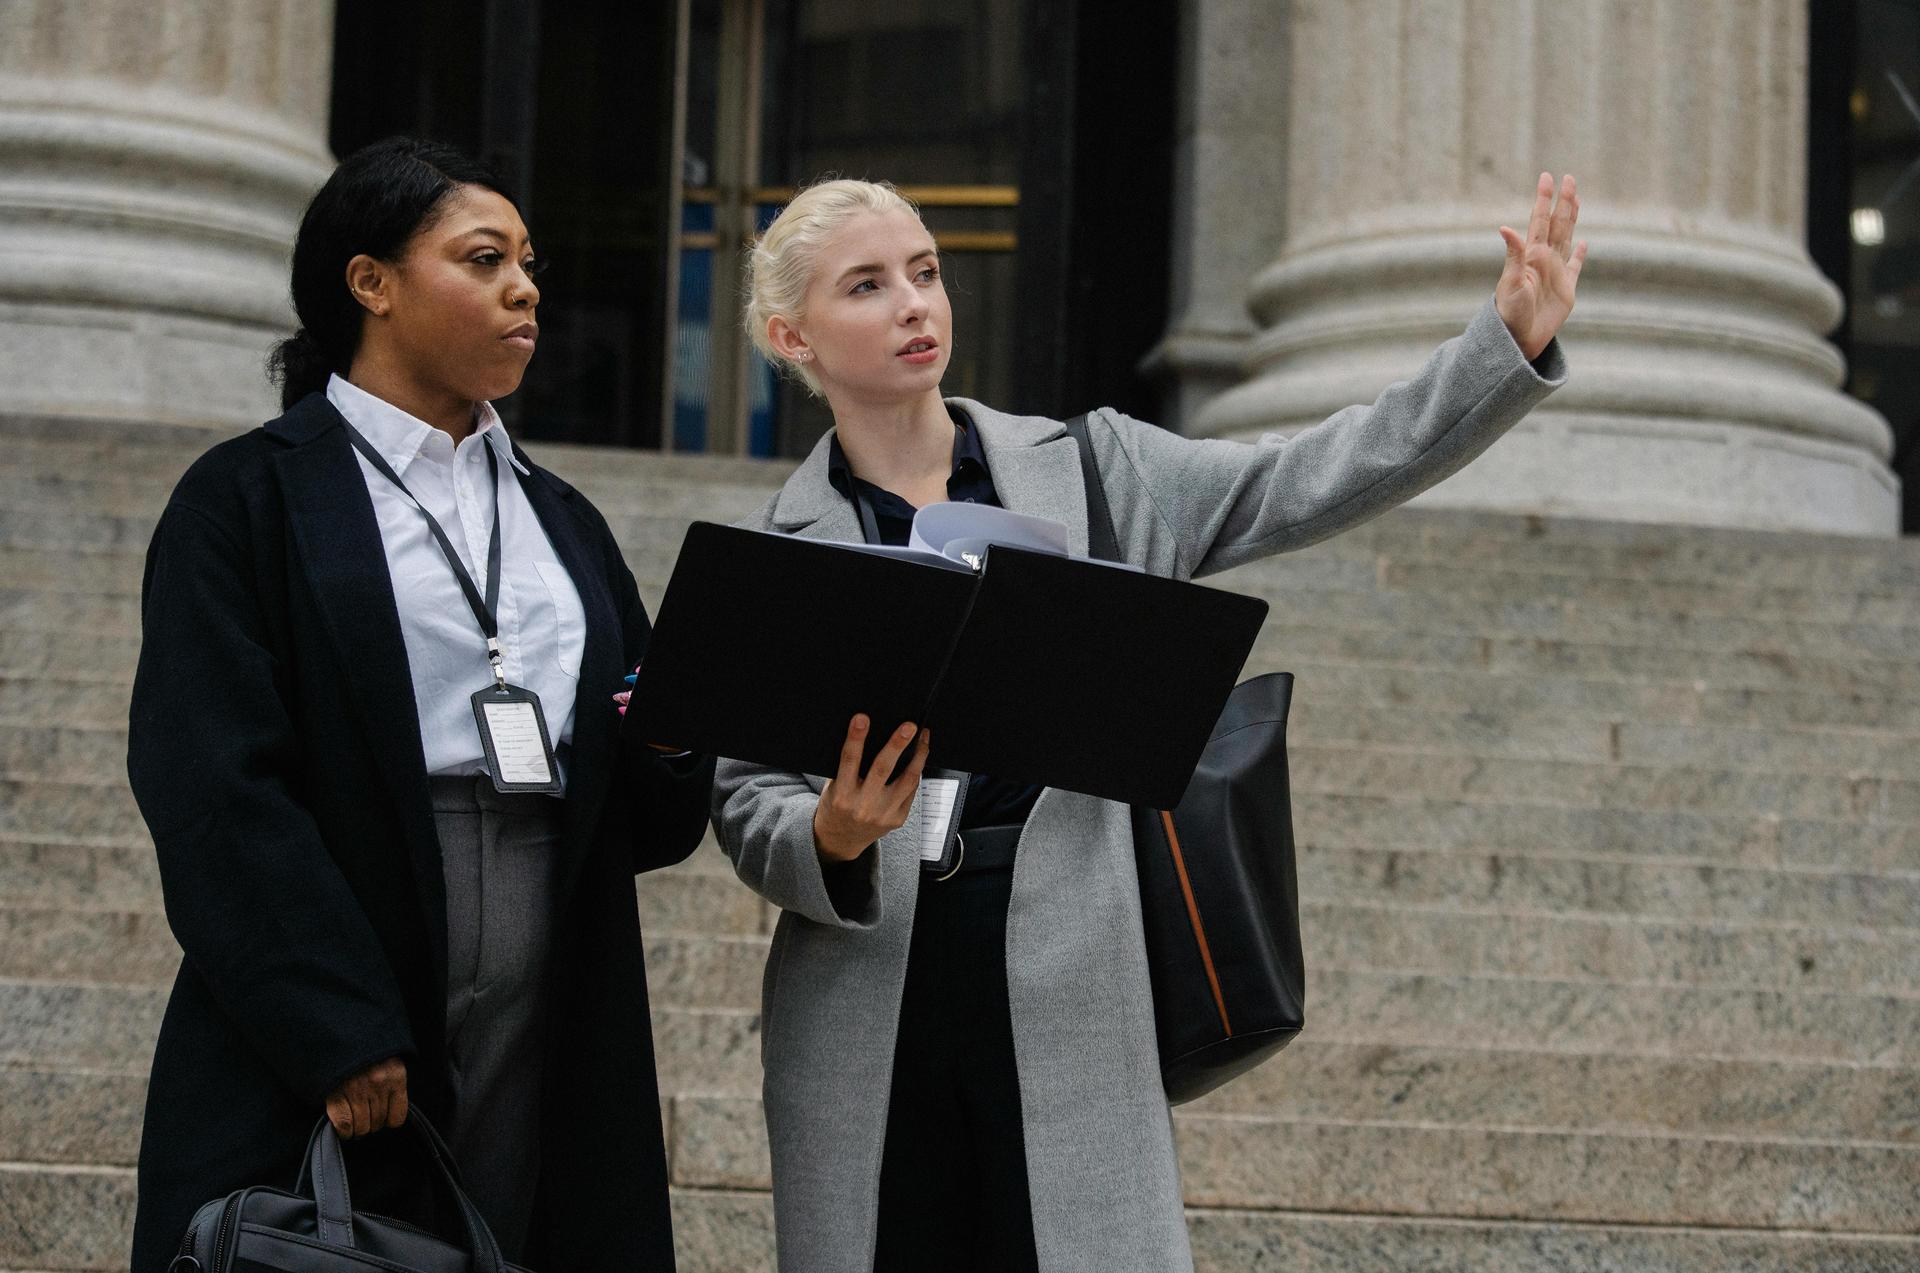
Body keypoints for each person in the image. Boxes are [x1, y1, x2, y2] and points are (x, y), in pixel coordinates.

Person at [712, 174, 1584, 1272]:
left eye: (927, 273)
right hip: (864, 1000)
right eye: (869, 285)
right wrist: (830, 835)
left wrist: (1498, 345)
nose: (915, 304)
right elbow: (744, 795)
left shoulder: (1097, 469)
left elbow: (1306, 475)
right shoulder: (779, 550)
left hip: (1070, 971)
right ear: (794, 334)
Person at [125, 136, 714, 1271]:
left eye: (528, 263)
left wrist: (678, 733)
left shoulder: (565, 519)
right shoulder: (245, 498)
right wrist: (331, 1021)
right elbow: (212, 782)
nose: (526, 287)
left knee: (525, 1226)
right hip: (355, 928)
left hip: (558, 953)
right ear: (371, 282)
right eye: (485, 258)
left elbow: (647, 801)